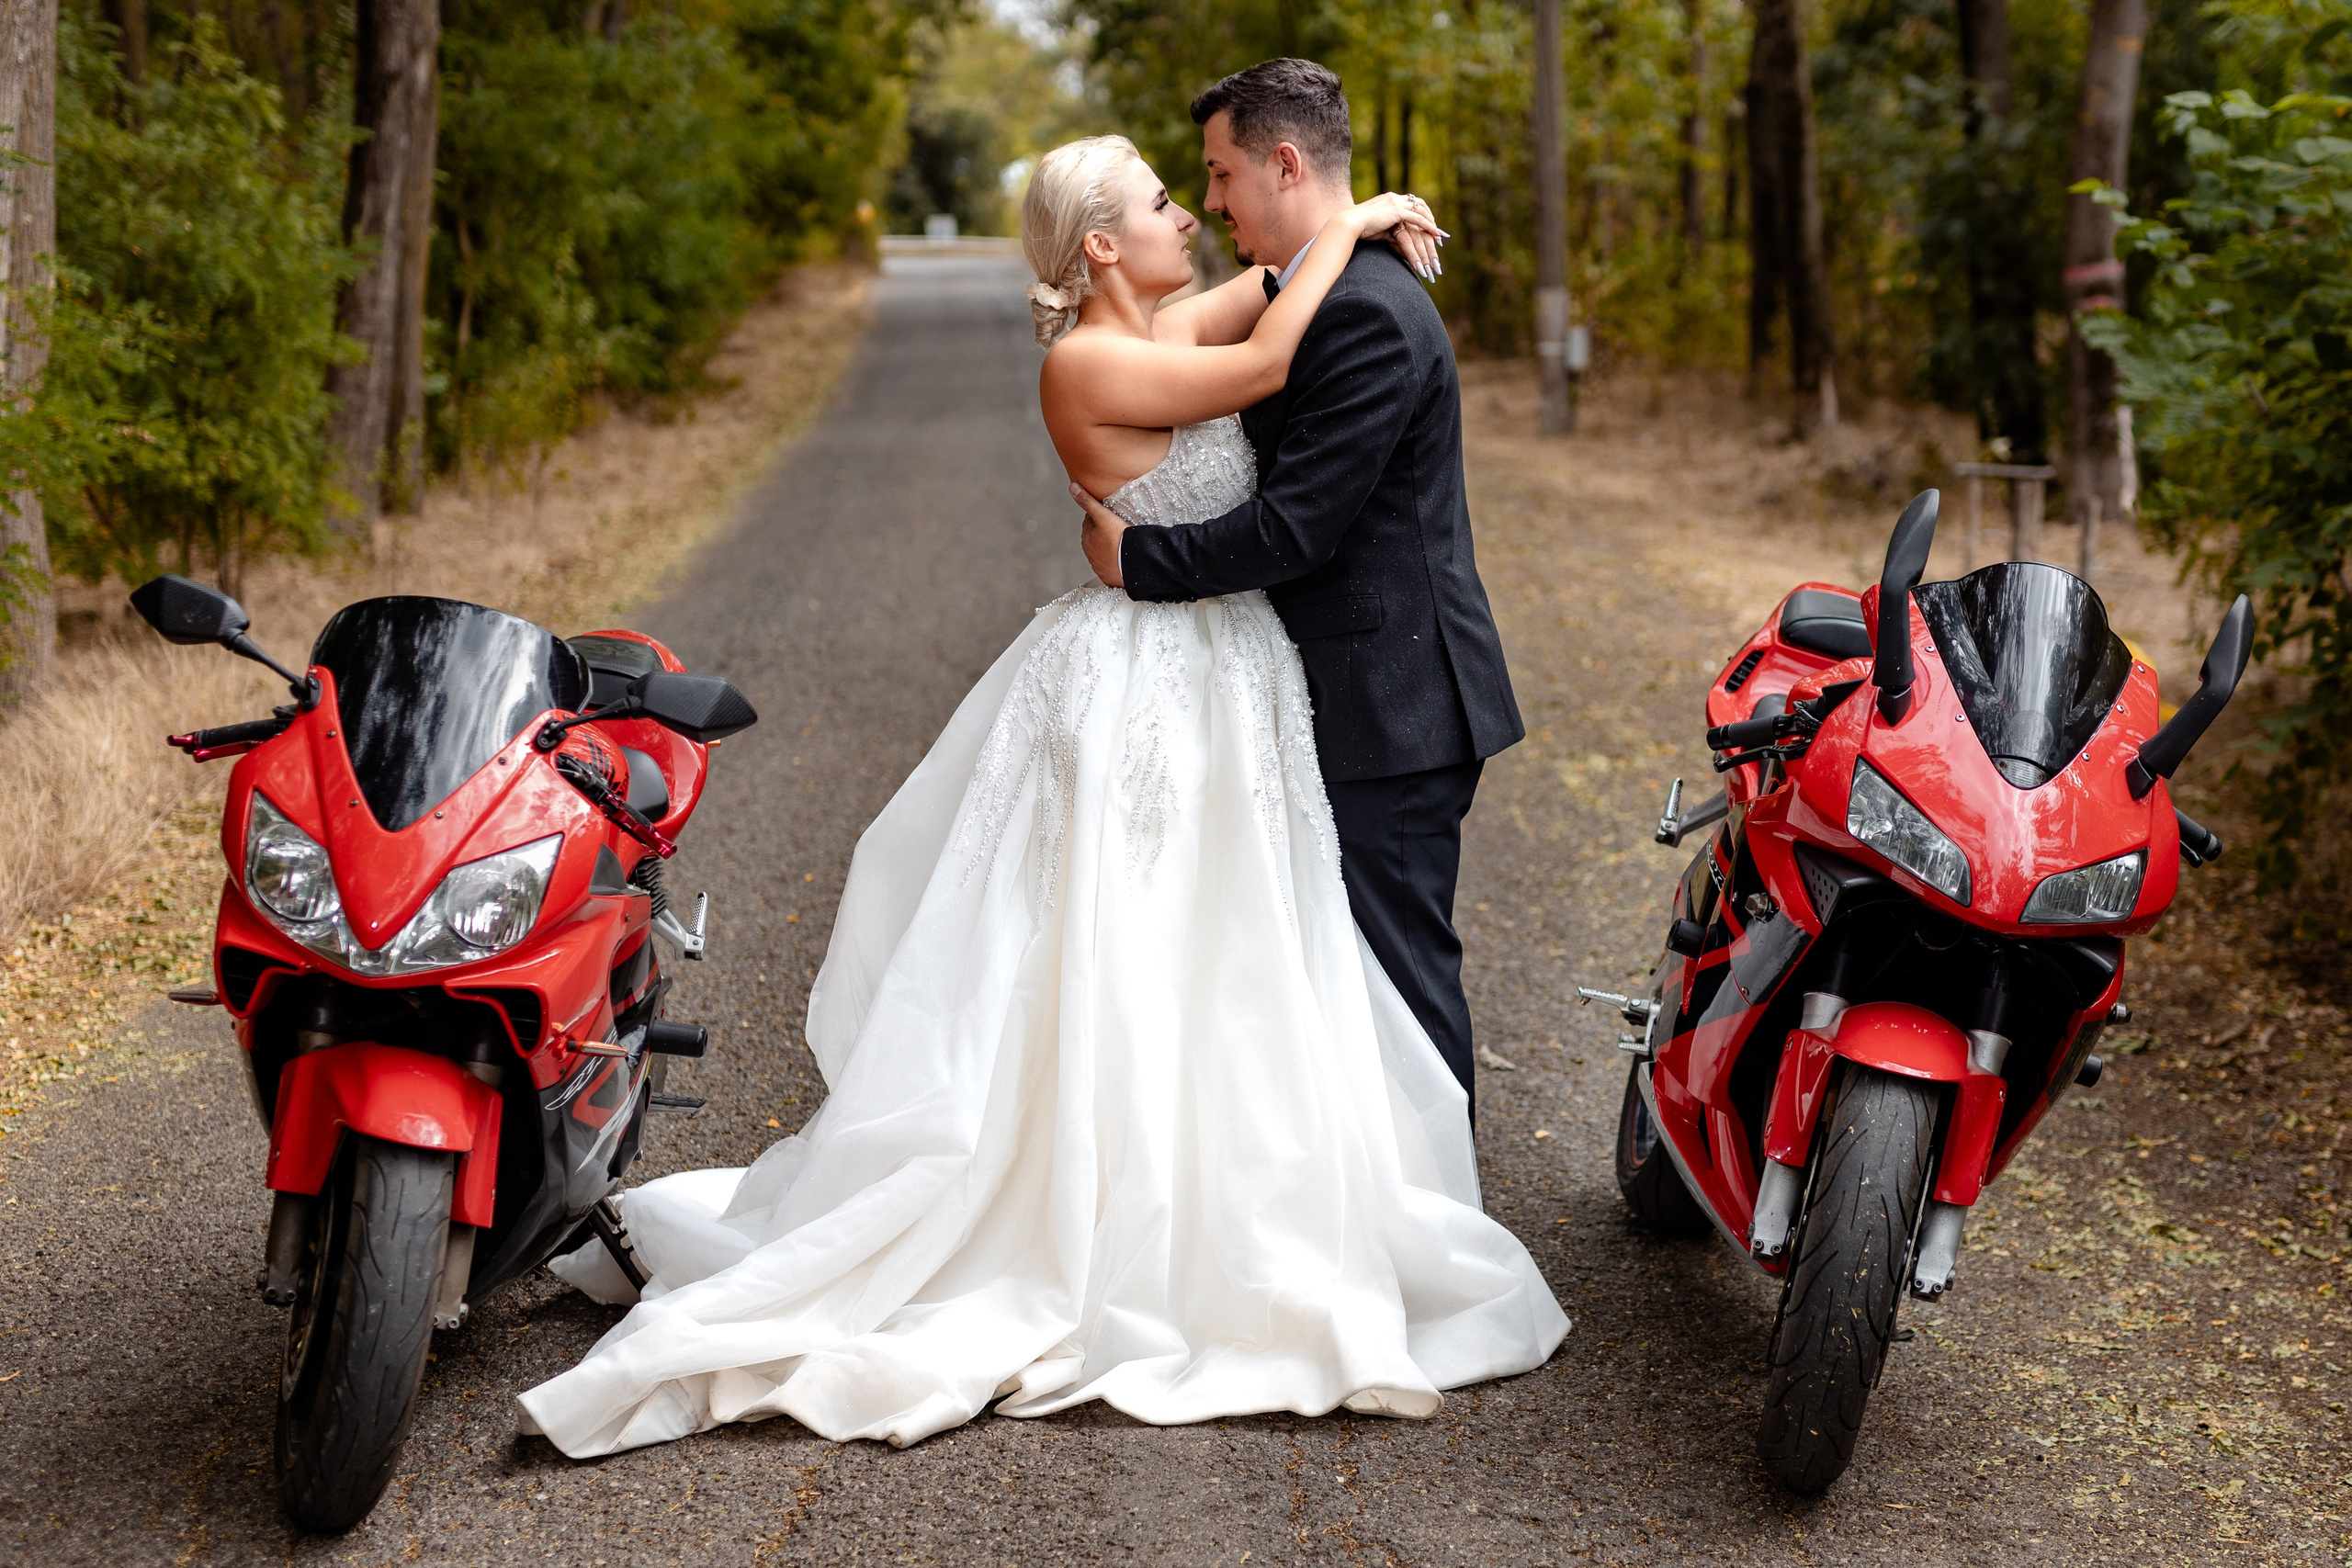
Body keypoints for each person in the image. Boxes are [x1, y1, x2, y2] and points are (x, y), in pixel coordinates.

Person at [515, 77, 1566, 1461]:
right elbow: (1257, 371)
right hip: (1167, 667)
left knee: (1280, 952)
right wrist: (1346, 228)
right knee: (1136, 951)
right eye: (1164, 197)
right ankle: (1179, 1213)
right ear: (1099, 251)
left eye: (1208, 179)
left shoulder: (1218, 309)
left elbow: (1264, 333)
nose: (1196, 207)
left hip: (1267, 672)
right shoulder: (1091, 361)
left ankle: (1363, 1201)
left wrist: (1346, 223)